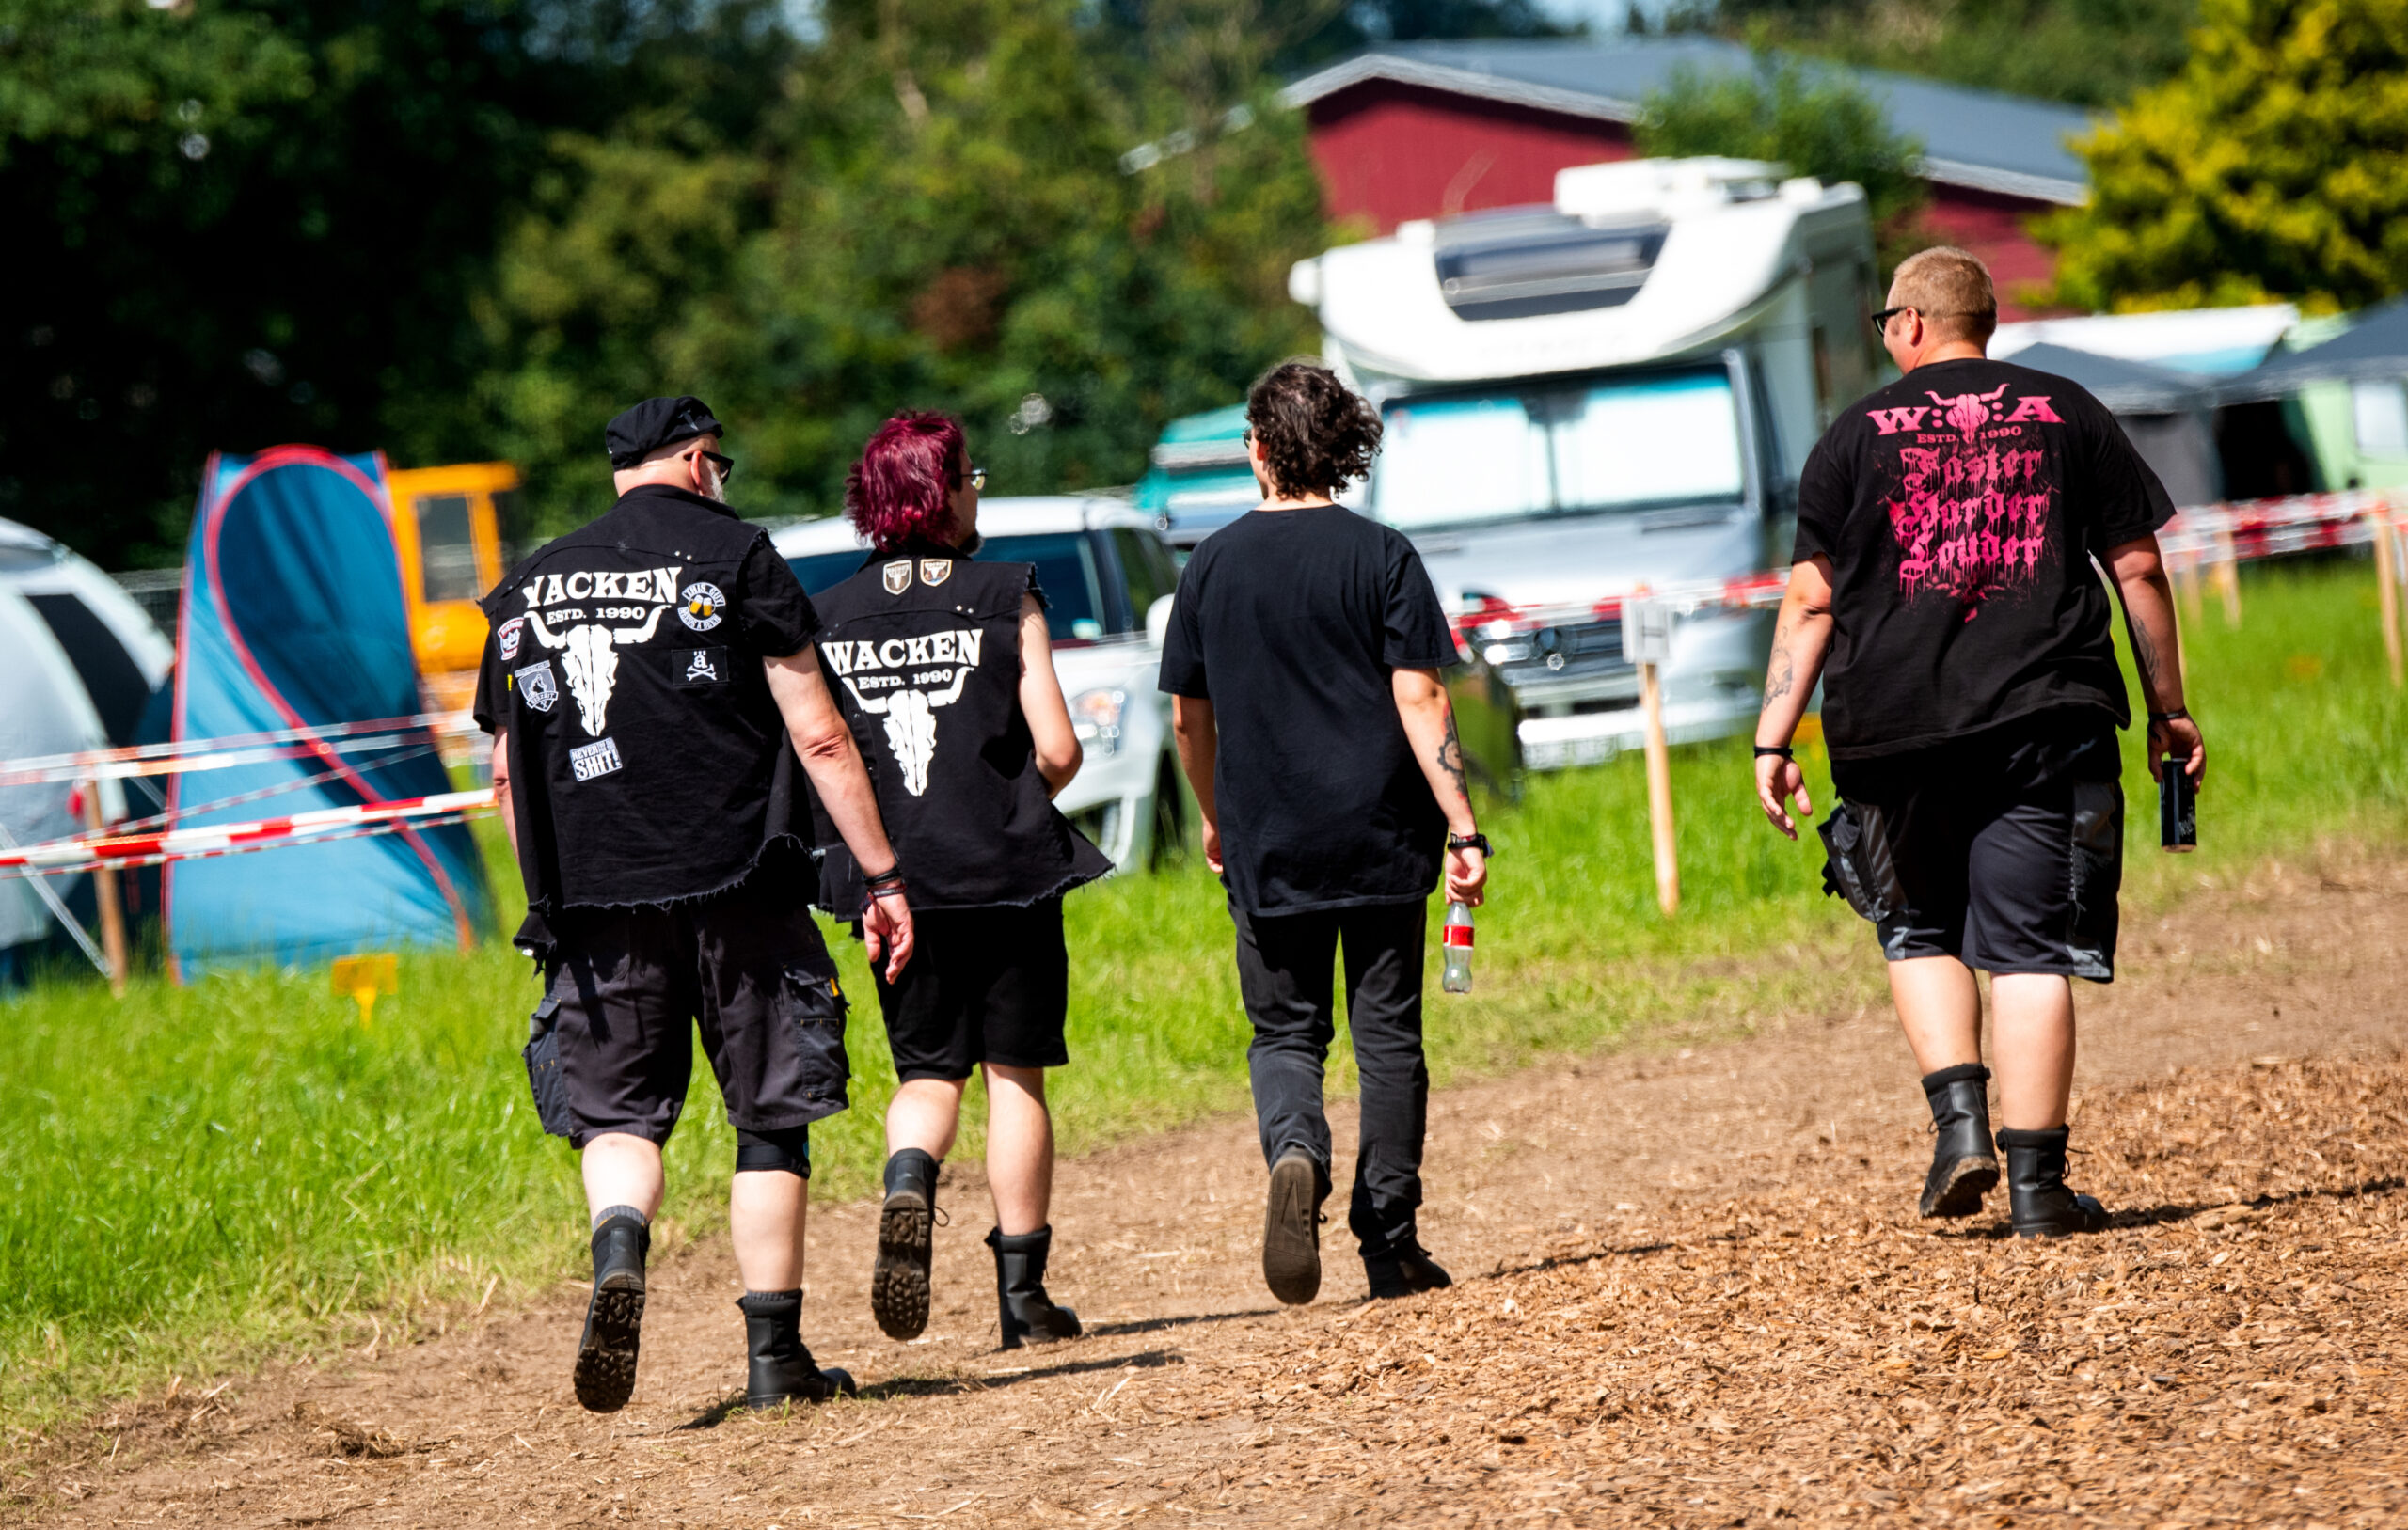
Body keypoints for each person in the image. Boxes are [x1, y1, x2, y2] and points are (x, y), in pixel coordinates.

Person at [1751, 248, 2206, 1238]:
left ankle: (1958, 1123)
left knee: (1915, 928)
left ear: (1909, 323)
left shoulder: (1850, 434)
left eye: (1883, 320)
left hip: (1887, 725)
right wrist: (2167, 704)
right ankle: (2038, 1188)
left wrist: (1769, 739)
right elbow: (2138, 567)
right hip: (2044, 712)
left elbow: (1809, 597)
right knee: (2031, 950)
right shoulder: (2066, 410)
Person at [475, 395, 916, 1413]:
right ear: (690, 458)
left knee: (620, 1117)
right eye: (720, 459)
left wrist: (552, 892)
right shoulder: (738, 555)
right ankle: (775, 1358)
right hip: (743, 884)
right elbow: (818, 735)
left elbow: (506, 774)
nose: (726, 478)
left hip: (592, 900)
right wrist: (882, 876)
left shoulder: (527, 585)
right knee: (770, 1113)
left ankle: (620, 1248)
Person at [1159, 359, 1489, 1306]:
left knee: (1284, 1033)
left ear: (1257, 449)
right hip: (1382, 830)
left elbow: (1190, 717)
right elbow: (1419, 693)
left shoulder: (1210, 565)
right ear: (1340, 450)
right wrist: (1461, 826)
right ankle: (1388, 1243)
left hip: (1268, 838)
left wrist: (1217, 816)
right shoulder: (1382, 553)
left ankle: (1296, 1151)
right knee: (1386, 1036)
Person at [808, 413, 1109, 1349]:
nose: (980, 490)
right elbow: (1057, 747)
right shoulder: (1004, 591)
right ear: (943, 495)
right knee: (1014, 1075)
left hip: (895, 883)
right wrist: (1015, 793)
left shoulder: (829, 614)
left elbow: (821, 753)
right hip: (1008, 868)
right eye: (972, 476)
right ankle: (1023, 1300)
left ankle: (909, 1179)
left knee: (926, 1071)